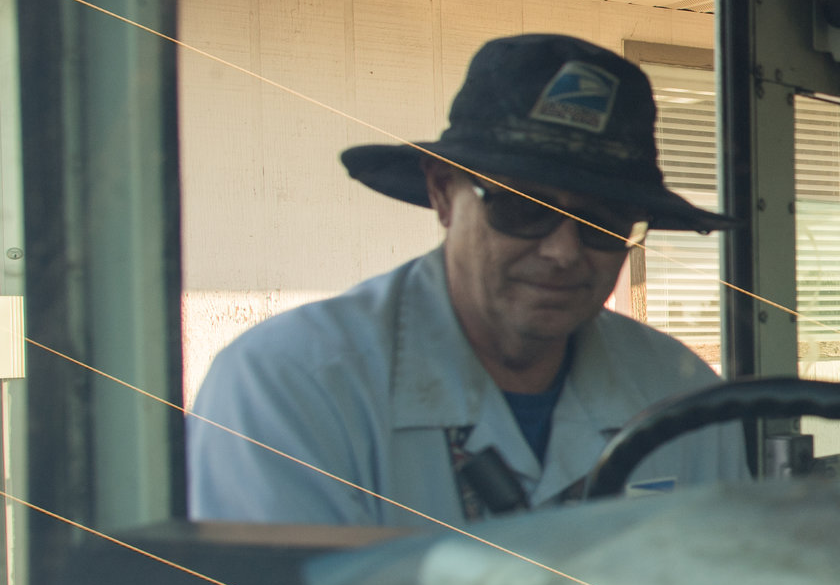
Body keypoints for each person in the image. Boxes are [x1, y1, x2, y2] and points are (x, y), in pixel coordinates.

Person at [190, 34, 747, 528]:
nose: (562, 252)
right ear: (441, 193)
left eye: (603, 223)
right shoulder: (292, 386)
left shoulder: (681, 397)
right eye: (523, 209)